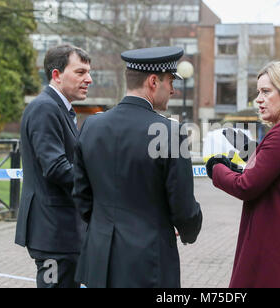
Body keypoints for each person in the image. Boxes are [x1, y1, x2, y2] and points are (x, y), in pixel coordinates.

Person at [73, 46, 203, 288]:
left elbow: (81, 194)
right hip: (147, 263)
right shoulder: (171, 132)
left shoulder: (91, 126)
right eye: (170, 82)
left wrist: (103, 226)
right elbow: (183, 208)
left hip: (100, 259)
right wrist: (189, 230)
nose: (173, 90)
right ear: (154, 81)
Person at [206, 61, 280, 288]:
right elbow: (265, 175)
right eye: (258, 92)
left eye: (266, 91)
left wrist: (215, 167)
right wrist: (238, 163)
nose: (258, 99)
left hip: (279, 252)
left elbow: (246, 186)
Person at [15, 44, 92, 288]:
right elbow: (56, 167)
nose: (88, 79)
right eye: (80, 72)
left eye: (88, 73)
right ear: (56, 75)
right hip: (53, 234)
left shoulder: (59, 108)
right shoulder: (45, 108)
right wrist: (99, 184)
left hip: (61, 232)